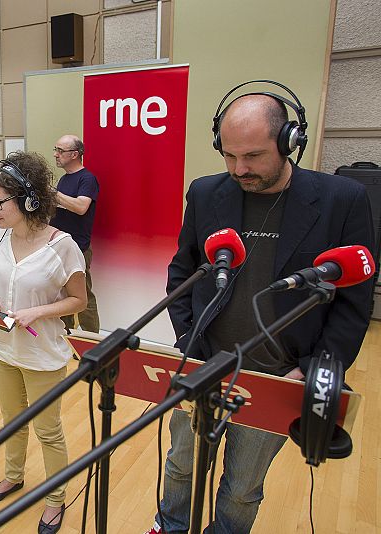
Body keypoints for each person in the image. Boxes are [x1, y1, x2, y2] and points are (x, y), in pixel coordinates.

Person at [149, 92, 374, 534]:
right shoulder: (206, 192)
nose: (239, 170)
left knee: (240, 488)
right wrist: (189, 340)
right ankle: (171, 525)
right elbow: (183, 272)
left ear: (289, 141)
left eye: (252, 156)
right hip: (204, 363)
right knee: (179, 466)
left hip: (274, 376)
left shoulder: (342, 200)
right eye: (230, 155)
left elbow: (353, 303)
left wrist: (307, 371)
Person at [0, 151, 87, 534]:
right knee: (12, 420)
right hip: (2, 346)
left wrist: (38, 312)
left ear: (28, 200)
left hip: (42, 353)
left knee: (48, 430)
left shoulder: (63, 245)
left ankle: (55, 499)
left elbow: (79, 300)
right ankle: (14, 476)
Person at [50, 135, 100, 333]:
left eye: (60, 151)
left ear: (75, 154)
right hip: (59, 245)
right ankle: (65, 338)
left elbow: (81, 207)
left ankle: (91, 345)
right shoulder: (64, 179)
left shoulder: (87, 178)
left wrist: (53, 193)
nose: (56, 154)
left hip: (78, 247)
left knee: (83, 296)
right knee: (62, 296)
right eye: (56, 149)